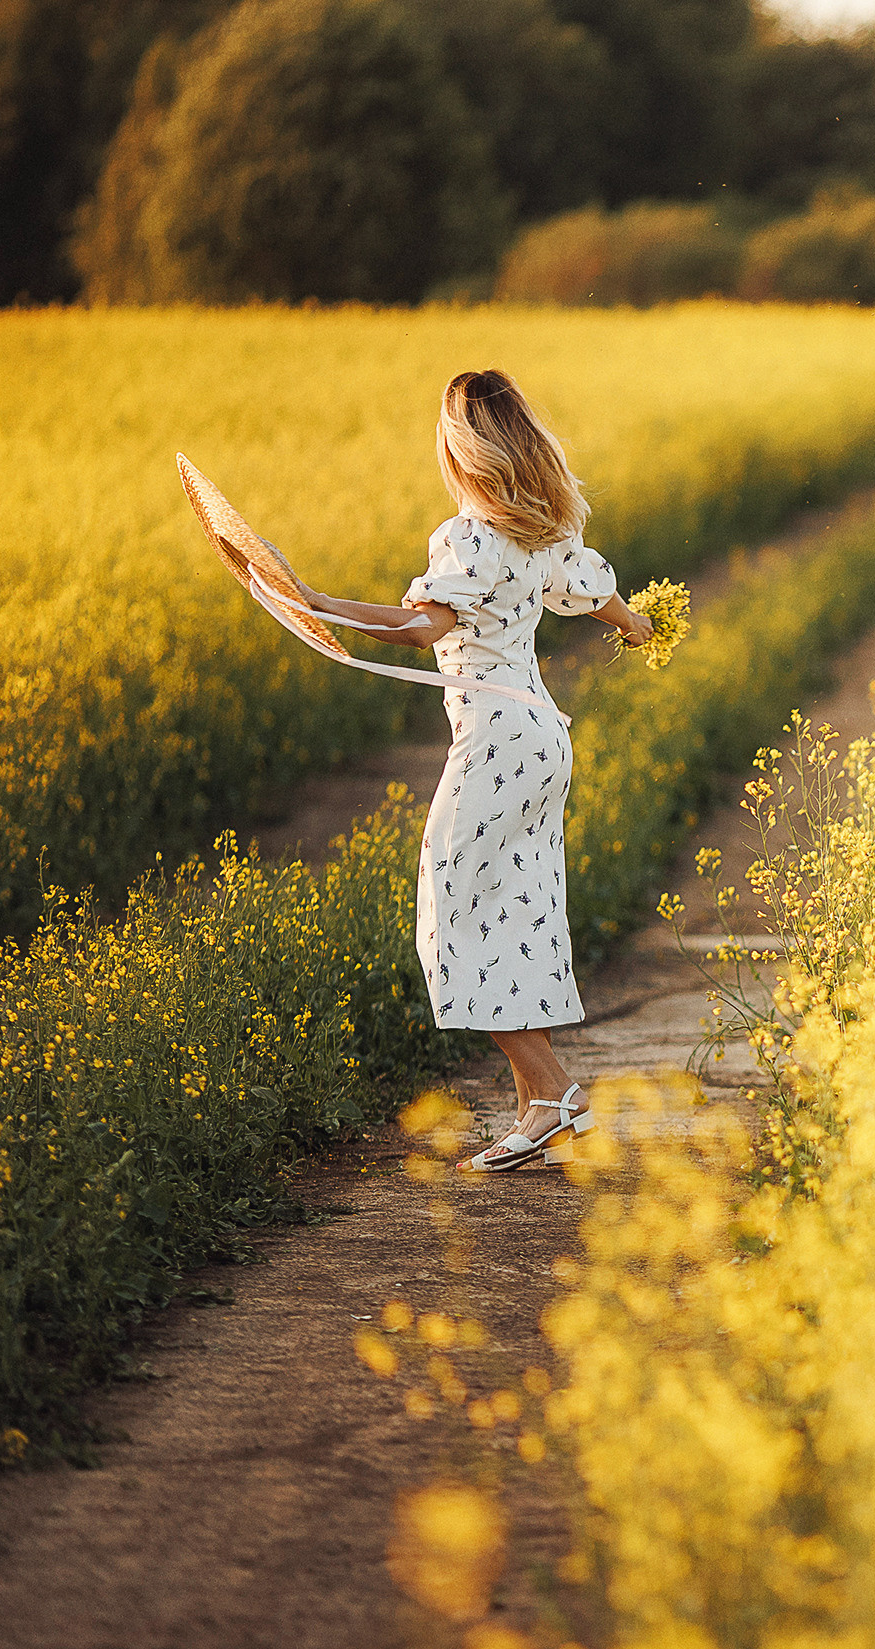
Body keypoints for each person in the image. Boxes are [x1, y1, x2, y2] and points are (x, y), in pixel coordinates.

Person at [302, 369, 652, 1172]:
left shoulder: (467, 536)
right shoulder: (538, 533)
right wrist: (639, 625)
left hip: (497, 741)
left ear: (461, 450)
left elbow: (420, 627)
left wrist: (320, 600)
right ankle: (539, 1105)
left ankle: (555, 1090)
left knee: (453, 915)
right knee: (515, 910)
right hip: (540, 739)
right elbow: (598, 598)